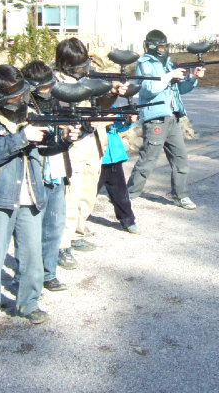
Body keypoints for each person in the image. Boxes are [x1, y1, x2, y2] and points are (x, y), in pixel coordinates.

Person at [0, 64, 50, 329]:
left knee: (32, 254)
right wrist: (22, 137)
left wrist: (68, 136)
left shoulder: (31, 113)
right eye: (14, 98)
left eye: (21, 94)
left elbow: (49, 146)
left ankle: (29, 302)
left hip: (31, 193)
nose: (20, 100)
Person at [53, 38, 127, 268]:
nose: (82, 70)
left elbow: (102, 105)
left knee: (87, 193)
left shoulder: (89, 77)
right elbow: (58, 114)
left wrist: (112, 92)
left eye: (83, 64)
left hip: (94, 143)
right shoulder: (55, 83)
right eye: (77, 67)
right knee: (70, 196)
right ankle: (61, 245)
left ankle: (77, 234)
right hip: (71, 146)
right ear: (65, 64)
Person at [126, 29, 205, 209]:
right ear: (152, 46)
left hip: (173, 117)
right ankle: (129, 194)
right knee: (148, 159)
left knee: (180, 159)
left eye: (165, 46)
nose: (163, 49)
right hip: (156, 118)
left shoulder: (169, 64)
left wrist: (193, 77)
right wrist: (170, 76)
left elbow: (180, 89)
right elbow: (148, 88)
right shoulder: (144, 63)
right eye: (160, 46)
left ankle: (180, 195)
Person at [21, 60, 80, 292]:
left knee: (54, 227)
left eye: (50, 85)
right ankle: (26, 278)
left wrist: (71, 133)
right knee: (30, 232)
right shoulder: (22, 108)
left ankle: (49, 273)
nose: (49, 90)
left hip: (57, 172)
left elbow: (64, 136)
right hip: (34, 175)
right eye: (44, 87)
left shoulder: (55, 103)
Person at [98, 112, 140, 234]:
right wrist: (102, 123)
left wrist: (128, 121)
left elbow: (119, 127)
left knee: (121, 193)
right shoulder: (86, 107)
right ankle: (75, 226)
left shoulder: (111, 108)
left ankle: (128, 221)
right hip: (97, 158)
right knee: (87, 195)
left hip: (114, 156)